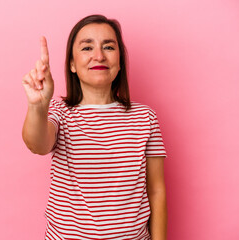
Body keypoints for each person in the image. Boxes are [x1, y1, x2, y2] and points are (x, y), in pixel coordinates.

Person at [22, 14, 167, 240]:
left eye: (108, 47)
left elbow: (156, 191)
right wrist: (37, 105)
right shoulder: (59, 112)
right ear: (71, 63)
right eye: (87, 48)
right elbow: (37, 144)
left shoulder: (144, 117)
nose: (98, 56)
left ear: (119, 62)